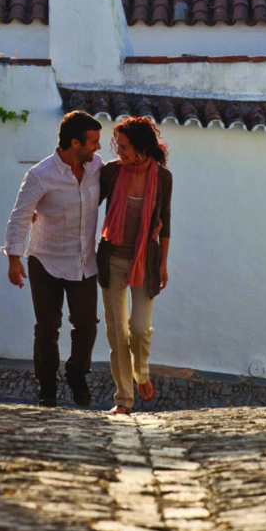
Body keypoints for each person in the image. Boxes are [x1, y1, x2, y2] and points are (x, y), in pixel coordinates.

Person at [1, 111, 103, 408]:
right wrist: (13, 258)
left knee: (86, 324)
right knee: (47, 327)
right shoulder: (39, 175)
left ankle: (76, 373)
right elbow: (20, 216)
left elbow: (120, 187)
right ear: (75, 143)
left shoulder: (96, 167)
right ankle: (47, 386)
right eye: (93, 142)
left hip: (84, 260)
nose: (98, 148)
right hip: (45, 261)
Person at [98, 117, 172, 415]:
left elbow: (165, 221)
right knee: (117, 332)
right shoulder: (112, 172)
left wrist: (164, 263)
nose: (119, 151)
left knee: (139, 329)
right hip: (112, 258)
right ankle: (124, 400)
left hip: (146, 261)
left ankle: (141, 373)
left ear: (142, 147)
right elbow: (86, 202)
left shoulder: (163, 177)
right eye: (117, 145)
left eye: (124, 146)